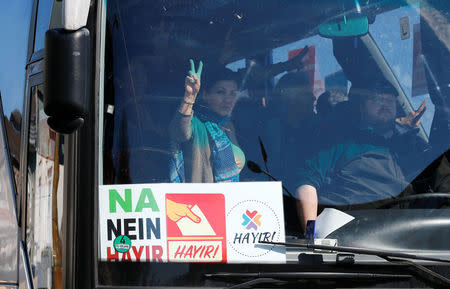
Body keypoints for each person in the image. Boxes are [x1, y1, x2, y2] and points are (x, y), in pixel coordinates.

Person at [295, 82, 432, 231]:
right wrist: (311, 236)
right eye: (376, 100)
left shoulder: (412, 145)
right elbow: (307, 185)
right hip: (353, 241)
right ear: (361, 107)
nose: (385, 104)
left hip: (408, 238)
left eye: (390, 100)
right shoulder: (341, 142)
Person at [169, 60, 245, 183]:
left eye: (233, 94)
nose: (228, 99)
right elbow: (178, 133)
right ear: (205, 95)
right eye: (221, 92)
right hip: (200, 201)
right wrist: (189, 97)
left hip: (228, 199)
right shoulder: (194, 122)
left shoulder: (227, 125)